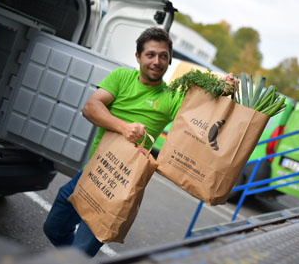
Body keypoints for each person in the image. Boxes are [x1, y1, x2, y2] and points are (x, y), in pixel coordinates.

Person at [43, 27, 234, 257]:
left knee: (81, 252)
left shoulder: (172, 96)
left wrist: (222, 90)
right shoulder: (121, 78)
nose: (157, 61)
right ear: (138, 57)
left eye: (163, 56)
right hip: (90, 173)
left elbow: (202, 115)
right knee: (53, 226)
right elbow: (90, 108)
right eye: (151, 54)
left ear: (169, 60)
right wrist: (125, 128)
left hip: (121, 187)